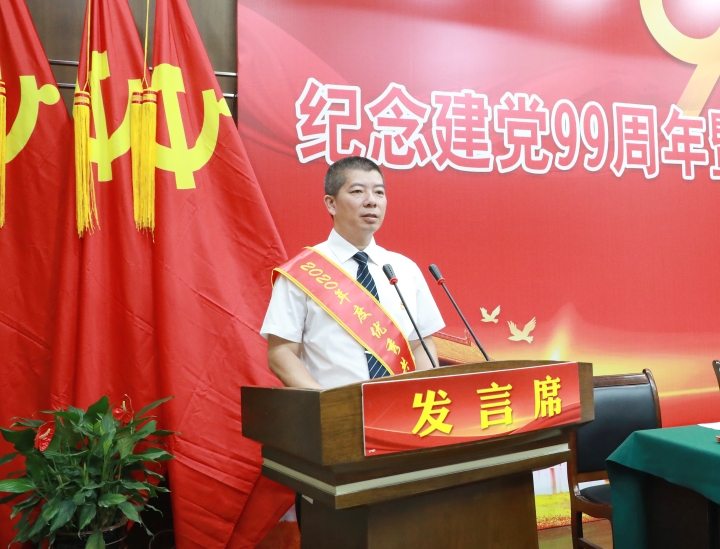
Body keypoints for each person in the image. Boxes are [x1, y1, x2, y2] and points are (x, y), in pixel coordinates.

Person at [261, 156, 445, 390]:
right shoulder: (301, 273)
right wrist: (328, 402)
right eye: (358, 191)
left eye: (379, 192)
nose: (371, 201)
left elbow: (420, 345)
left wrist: (422, 394)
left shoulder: (405, 269)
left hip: (401, 408)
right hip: (334, 408)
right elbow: (281, 352)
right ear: (331, 203)